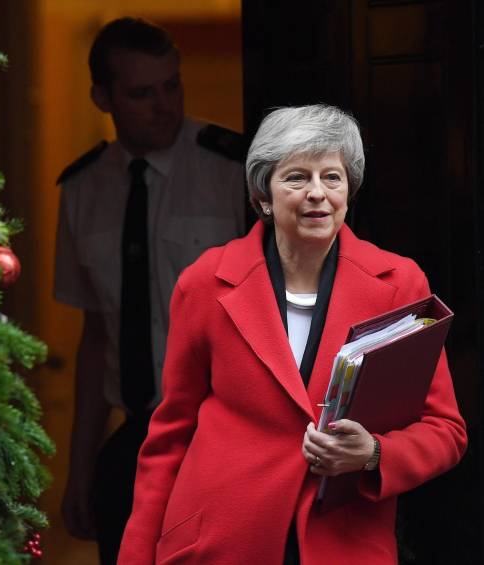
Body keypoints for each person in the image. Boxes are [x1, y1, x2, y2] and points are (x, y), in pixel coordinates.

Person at [117, 104, 467, 565]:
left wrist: (374, 453)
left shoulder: (399, 284)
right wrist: (136, 556)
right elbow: (169, 436)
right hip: (221, 539)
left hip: (342, 542)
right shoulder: (204, 283)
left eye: (332, 178)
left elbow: (446, 430)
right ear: (264, 195)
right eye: (297, 177)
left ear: (349, 190)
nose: (317, 194)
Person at [53, 17, 246, 564]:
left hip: (223, 437)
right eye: (142, 93)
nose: (165, 105)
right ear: (102, 98)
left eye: (172, 85)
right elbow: (96, 338)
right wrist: (80, 469)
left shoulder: (231, 169)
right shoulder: (82, 190)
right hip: (134, 443)